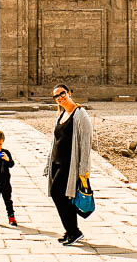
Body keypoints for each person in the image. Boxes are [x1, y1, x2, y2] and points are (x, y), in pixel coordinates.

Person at [43, 83, 92, 246]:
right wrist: (48, 164)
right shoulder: (61, 115)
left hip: (69, 164)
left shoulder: (80, 114)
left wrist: (83, 169)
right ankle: (71, 230)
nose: (60, 98)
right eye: (56, 96)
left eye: (62, 94)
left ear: (70, 93)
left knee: (60, 195)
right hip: (56, 163)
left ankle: (74, 231)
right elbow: (55, 141)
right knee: (60, 196)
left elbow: (85, 143)